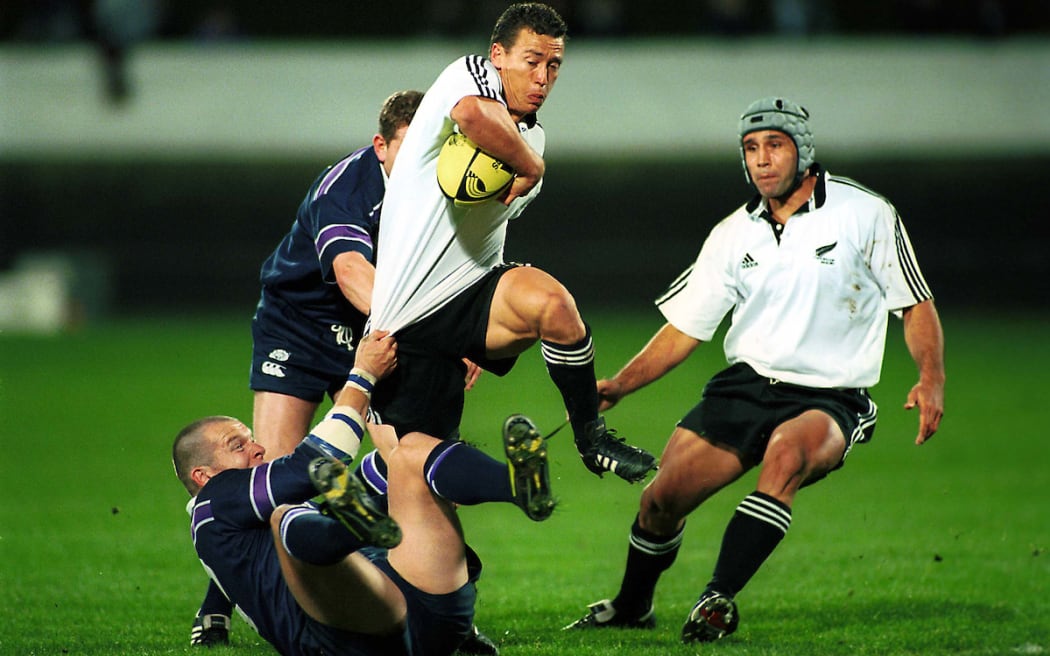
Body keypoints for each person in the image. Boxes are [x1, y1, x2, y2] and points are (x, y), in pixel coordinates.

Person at [565, 97, 945, 643]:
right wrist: (620, 385)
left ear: (803, 151)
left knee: (786, 455)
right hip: (745, 387)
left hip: (829, 395)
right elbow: (685, 328)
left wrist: (931, 377)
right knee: (660, 500)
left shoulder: (865, 212)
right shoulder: (732, 233)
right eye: (751, 148)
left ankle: (716, 598)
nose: (762, 159)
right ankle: (632, 606)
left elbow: (915, 304)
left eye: (774, 145)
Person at [368, 2, 657, 484]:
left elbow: (482, 230)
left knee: (553, 304)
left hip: (469, 297)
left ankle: (592, 438)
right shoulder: (467, 76)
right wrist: (531, 165)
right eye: (532, 61)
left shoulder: (534, 139)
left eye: (554, 65)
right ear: (497, 55)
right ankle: (349, 502)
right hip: (405, 318)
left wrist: (530, 165)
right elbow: (474, 115)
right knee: (415, 480)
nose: (543, 76)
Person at [173, 331, 556, 656]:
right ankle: (353, 528)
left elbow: (366, 476)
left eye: (252, 440)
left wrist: (434, 476)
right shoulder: (214, 501)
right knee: (284, 515)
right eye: (236, 446)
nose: (256, 448)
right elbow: (312, 463)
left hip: (413, 614)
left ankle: (518, 486)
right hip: (344, 636)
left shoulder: (238, 521)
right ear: (203, 475)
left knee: (408, 453)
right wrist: (363, 375)